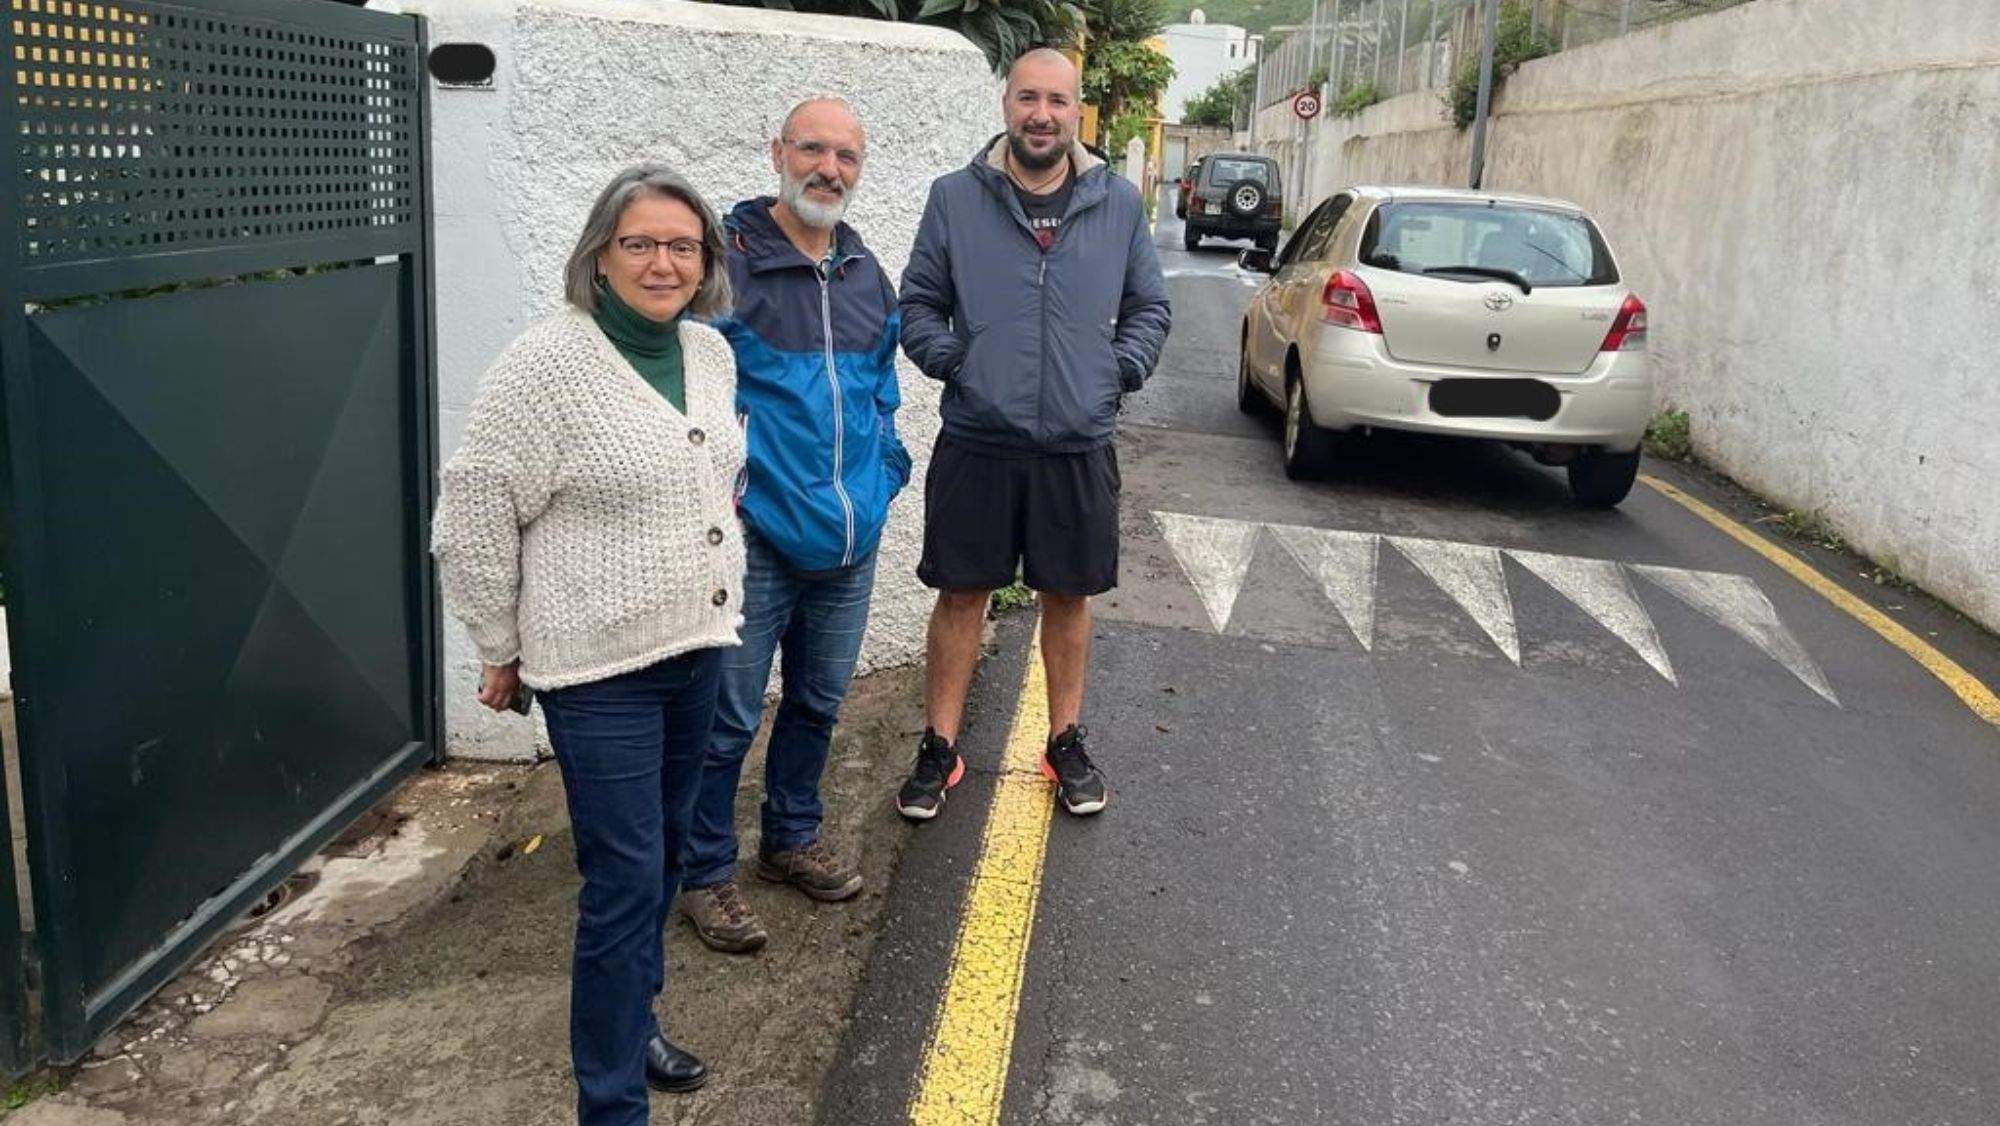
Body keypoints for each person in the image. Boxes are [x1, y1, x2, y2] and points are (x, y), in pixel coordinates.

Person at [431, 164, 744, 1123]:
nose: (662, 262)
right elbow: (475, 512)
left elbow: (711, 477)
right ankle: (610, 1104)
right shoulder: (545, 365)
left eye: (681, 246)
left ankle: (632, 1024)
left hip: (696, 648)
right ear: (599, 258)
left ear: (706, 262)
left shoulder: (708, 352)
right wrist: (496, 643)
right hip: (599, 673)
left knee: (665, 864)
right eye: (639, 244)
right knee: (621, 877)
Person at [894, 49, 1171, 820]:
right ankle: (939, 748)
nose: (1040, 114)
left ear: (1075, 109)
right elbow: (918, 303)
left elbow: (1150, 306)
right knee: (961, 593)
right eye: (1027, 98)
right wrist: (962, 365)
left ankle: (1065, 740)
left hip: (1078, 441)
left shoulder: (1115, 203)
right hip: (979, 436)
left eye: (1056, 100)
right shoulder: (954, 198)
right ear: (1005, 105)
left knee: (1068, 596)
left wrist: (1115, 373)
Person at [678, 96, 911, 954]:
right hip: (758, 539)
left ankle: (788, 839)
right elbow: (693, 394)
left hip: (851, 538)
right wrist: (731, 499)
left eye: (846, 156)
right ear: (776, 150)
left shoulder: (865, 272)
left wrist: (886, 473)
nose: (829, 169)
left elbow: (883, 384)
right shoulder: (728, 267)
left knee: (817, 701)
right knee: (729, 718)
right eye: (812, 149)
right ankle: (704, 872)